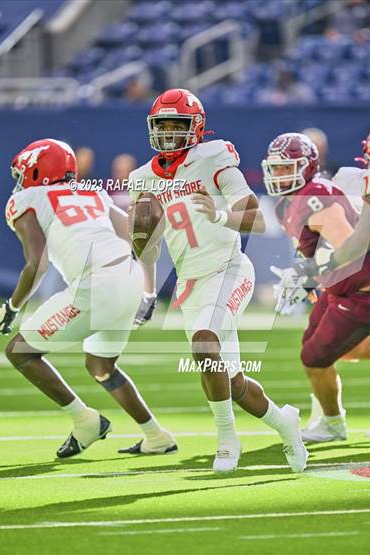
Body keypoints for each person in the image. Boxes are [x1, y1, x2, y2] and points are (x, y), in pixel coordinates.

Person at [127, 88, 308, 474]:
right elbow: (152, 250)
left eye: (178, 125)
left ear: (197, 128)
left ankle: (227, 440)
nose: (170, 134)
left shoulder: (214, 157)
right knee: (234, 381)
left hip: (228, 268)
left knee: (204, 341)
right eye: (163, 126)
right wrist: (140, 245)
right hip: (190, 284)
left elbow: (256, 220)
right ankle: (284, 423)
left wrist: (220, 215)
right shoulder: (141, 178)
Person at [0, 138, 177, 458]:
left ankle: (84, 420)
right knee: (101, 365)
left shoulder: (27, 199)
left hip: (97, 285)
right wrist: (148, 292)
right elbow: (139, 237)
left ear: (36, 169)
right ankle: (156, 436)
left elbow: (38, 262)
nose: (20, 182)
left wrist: (12, 307)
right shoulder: (94, 191)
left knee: (19, 351)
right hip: (129, 279)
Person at [262, 132, 370, 443]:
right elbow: (310, 250)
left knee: (315, 357)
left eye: (287, 168)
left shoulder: (316, 196)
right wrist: (301, 276)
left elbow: (351, 249)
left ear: (307, 166)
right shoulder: (287, 205)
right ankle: (332, 418)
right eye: (277, 168)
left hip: (362, 290)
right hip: (338, 289)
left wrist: (309, 274)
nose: (281, 175)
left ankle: (333, 424)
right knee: (315, 347)